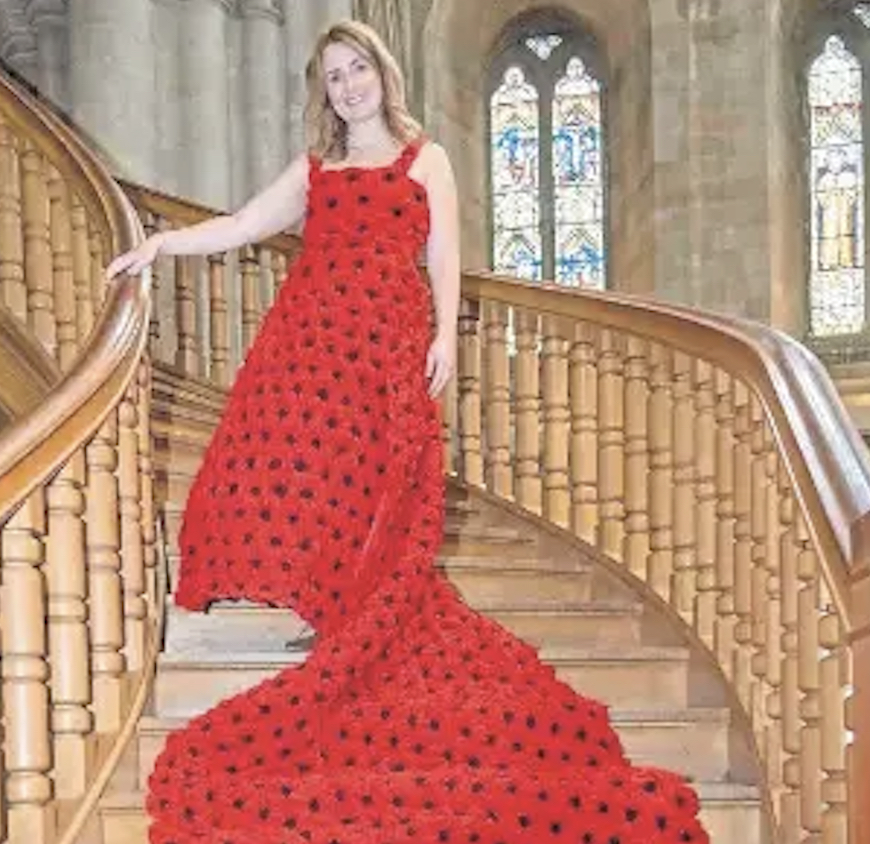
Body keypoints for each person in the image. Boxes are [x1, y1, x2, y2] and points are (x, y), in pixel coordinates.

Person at [107, 20, 708, 844]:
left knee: (379, 491)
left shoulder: (425, 158)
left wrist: (443, 342)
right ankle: (333, 607)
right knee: (297, 481)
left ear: (383, 74)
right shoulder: (316, 168)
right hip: (312, 346)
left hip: (386, 348)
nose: (349, 85)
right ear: (323, 90)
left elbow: (443, 259)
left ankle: (356, 620)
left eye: (358, 68)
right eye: (334, 76)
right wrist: (161, 243)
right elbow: (243, 223)